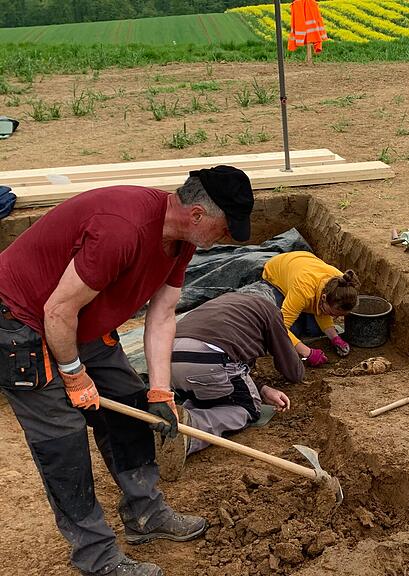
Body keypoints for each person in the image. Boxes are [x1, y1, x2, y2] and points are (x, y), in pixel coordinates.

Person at [0, 165, 254, 576]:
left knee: (130, 406)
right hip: (18, 321)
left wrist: (159, 392)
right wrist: (74, 374)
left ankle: (145, 515)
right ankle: (97, 559)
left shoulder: (182, 240)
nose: (227, 238)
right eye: (226, 228)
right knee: (64, 443)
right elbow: (57, 310)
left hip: (76, 321)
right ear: (197, 214)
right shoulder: (123, 228)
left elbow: (163, 314)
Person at [159, 291, 304, 477]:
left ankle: (171, 422)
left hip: (168, 360)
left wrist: (262, 388)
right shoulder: (270, 311)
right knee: (249, 409)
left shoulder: (222, 304)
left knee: (209, 398)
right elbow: (292, 370)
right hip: (208, 361)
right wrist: (302, 364)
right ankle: (191, 431)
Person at [261, 251, 360, 367]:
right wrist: (307, 352)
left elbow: (324, 312)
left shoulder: (343, 284)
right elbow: (279, 327)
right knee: (293, 330)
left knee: (315, 330)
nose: (335, 318)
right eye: (332, 313)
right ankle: (300, 309)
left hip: (306, 264)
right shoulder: (302, 290)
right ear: (323, 298)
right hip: (277, 271)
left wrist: (335, 337)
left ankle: (302, 309)